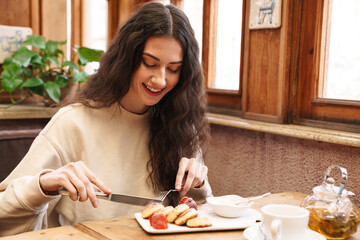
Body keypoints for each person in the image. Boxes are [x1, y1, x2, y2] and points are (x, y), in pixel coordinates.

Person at [0, 2, 212, 236]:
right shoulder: (73, 123)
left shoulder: (179, 124)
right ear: (127, 58)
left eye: (173, 69)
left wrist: (198, 184)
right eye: (150, 63)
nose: (160, 80)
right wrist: (43, 184)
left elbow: (200, 216)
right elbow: (4, 209)